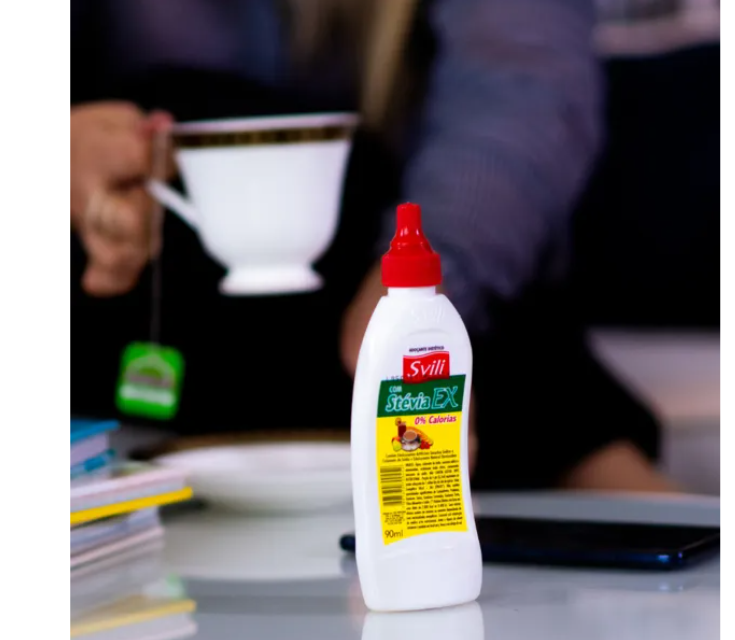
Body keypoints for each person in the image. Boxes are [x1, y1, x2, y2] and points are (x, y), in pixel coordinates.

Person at [71, 0, 678, 492]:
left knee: (440, 230)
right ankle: (595, 462)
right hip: (144, 287)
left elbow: (520, 96)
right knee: (199, 104)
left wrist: (421, 286)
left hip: (369, 277)